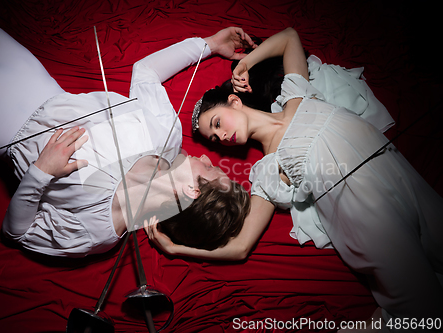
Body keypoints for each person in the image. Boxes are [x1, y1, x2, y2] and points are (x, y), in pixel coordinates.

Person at [145, 27, 443, 328]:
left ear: (234, 101)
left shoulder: (294, 97)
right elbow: (241, 246)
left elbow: (289, 38)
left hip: (393, 168)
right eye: (216, 137)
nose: (223, 135)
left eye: (217, 122)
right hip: (366, 211)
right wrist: (175, 248)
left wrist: (244, 64)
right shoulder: (267, 170)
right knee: (423, 308)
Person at [0, 11, 253, 257]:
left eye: (210, 169)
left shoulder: (100, 231)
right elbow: (145, 72)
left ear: (192, 191)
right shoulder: (167, 136)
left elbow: (16, 233)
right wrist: (209, 44)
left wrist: (40, 172)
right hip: (27, 75)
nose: (203, 156)